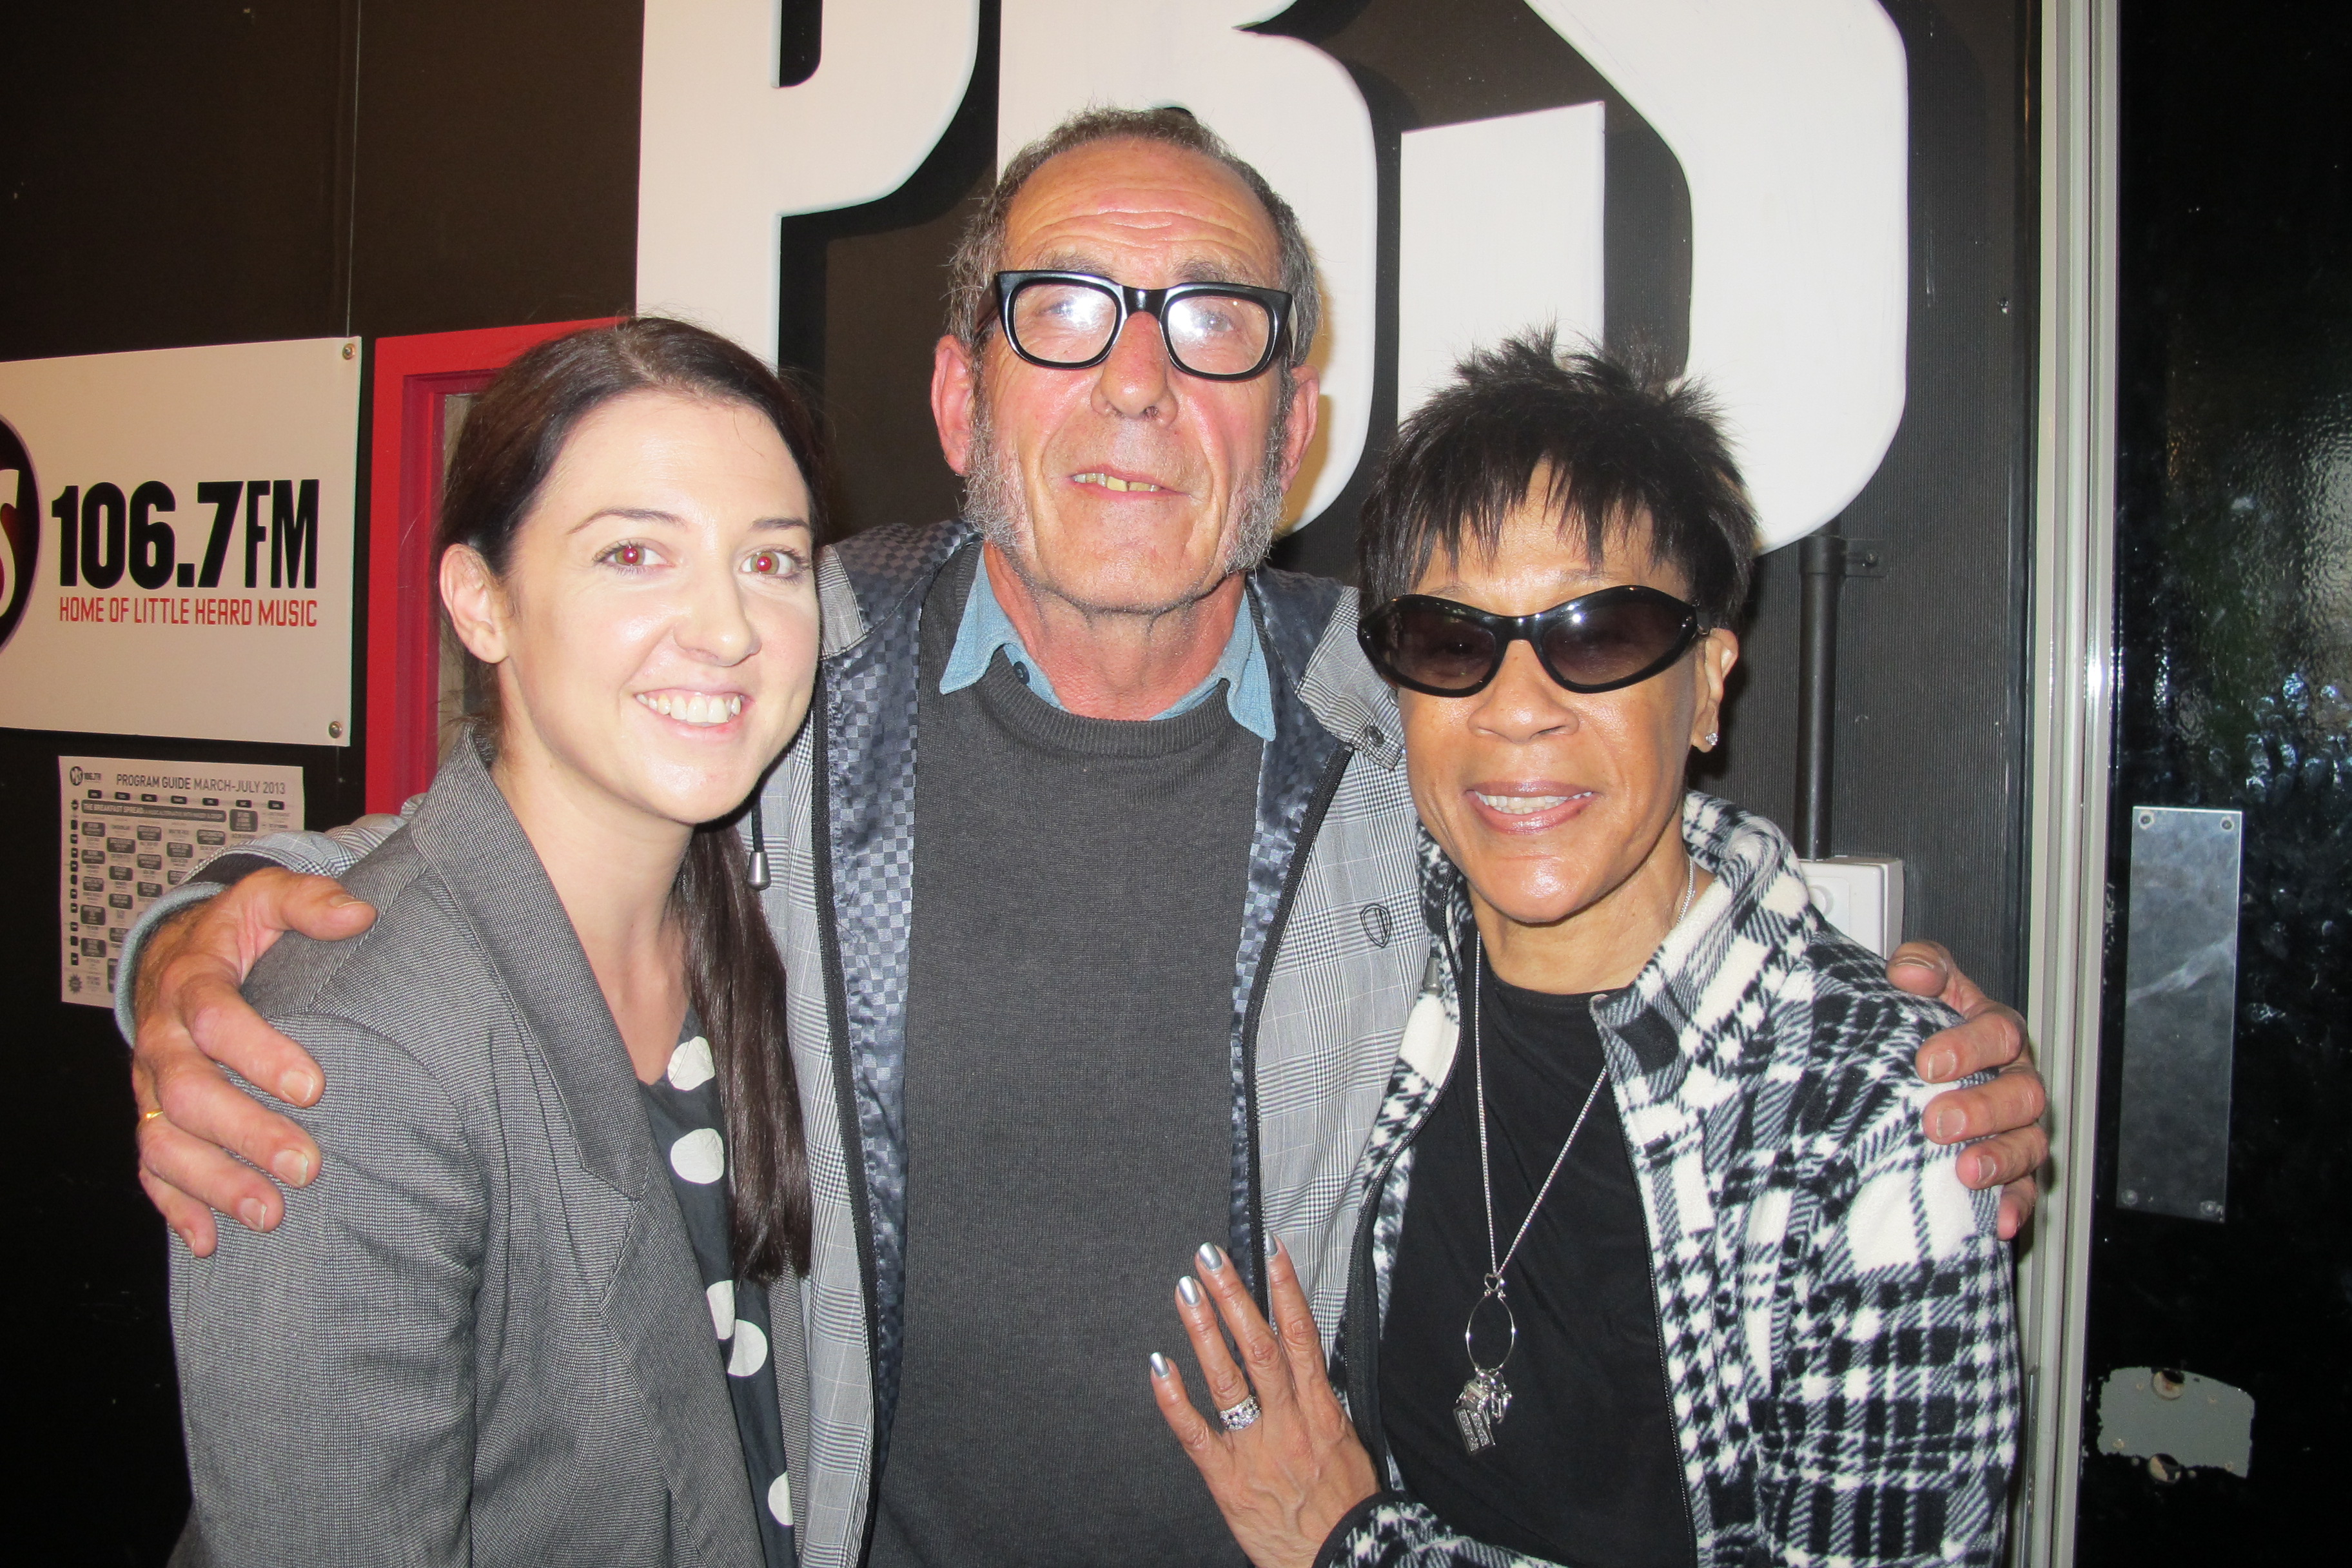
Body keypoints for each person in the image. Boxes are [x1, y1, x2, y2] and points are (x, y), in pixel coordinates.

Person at [121, 111, 2047, 1568]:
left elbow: (1607, 801)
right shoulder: (792, 673)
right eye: (1069, 316)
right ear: (965, 394)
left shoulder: (1406, 712)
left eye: (1213, 325)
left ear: (1290, 429)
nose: (1139, 378)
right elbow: (483, 845)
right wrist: (202, 940)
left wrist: (1903, 1046)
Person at [1151, 337, 2019, 1567]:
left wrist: (1353, 1546)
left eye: (1598, 633)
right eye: (1455, 641)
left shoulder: (1870, 1121)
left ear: (1710, 684)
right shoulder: (1378, 958)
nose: (1516, 707)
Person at [168, 318, 827, 1567]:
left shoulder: (753, 919)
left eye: (774, 561)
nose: (728, 628)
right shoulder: (347, 1056)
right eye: (635, 553)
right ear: (482, 600)